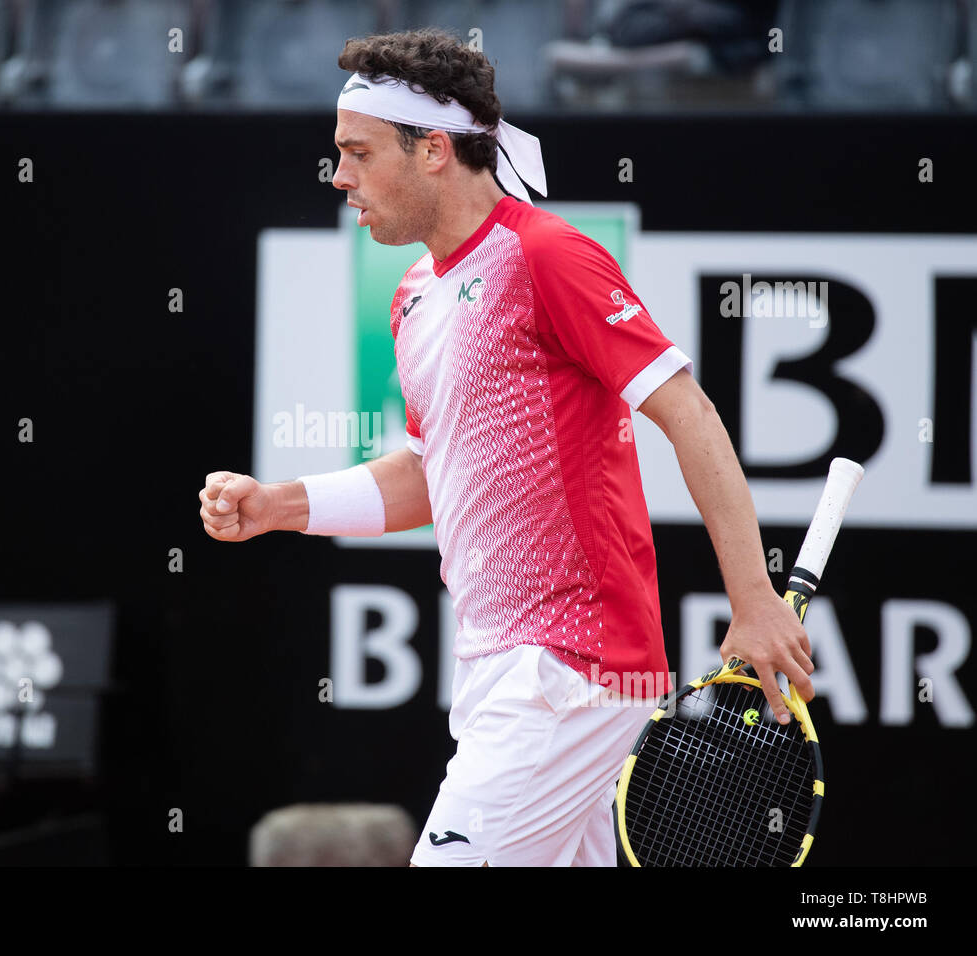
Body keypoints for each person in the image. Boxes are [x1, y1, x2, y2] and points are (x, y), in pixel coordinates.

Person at [197, 29, 813, 866]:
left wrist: (753, 599)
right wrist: (282, 506)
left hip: (568, 666)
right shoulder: (413, 296)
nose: (339, 176)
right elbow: (429, 471)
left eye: (358, 153)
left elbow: (689, 414)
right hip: (500, 667)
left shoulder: (547, 256)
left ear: (435, 152)